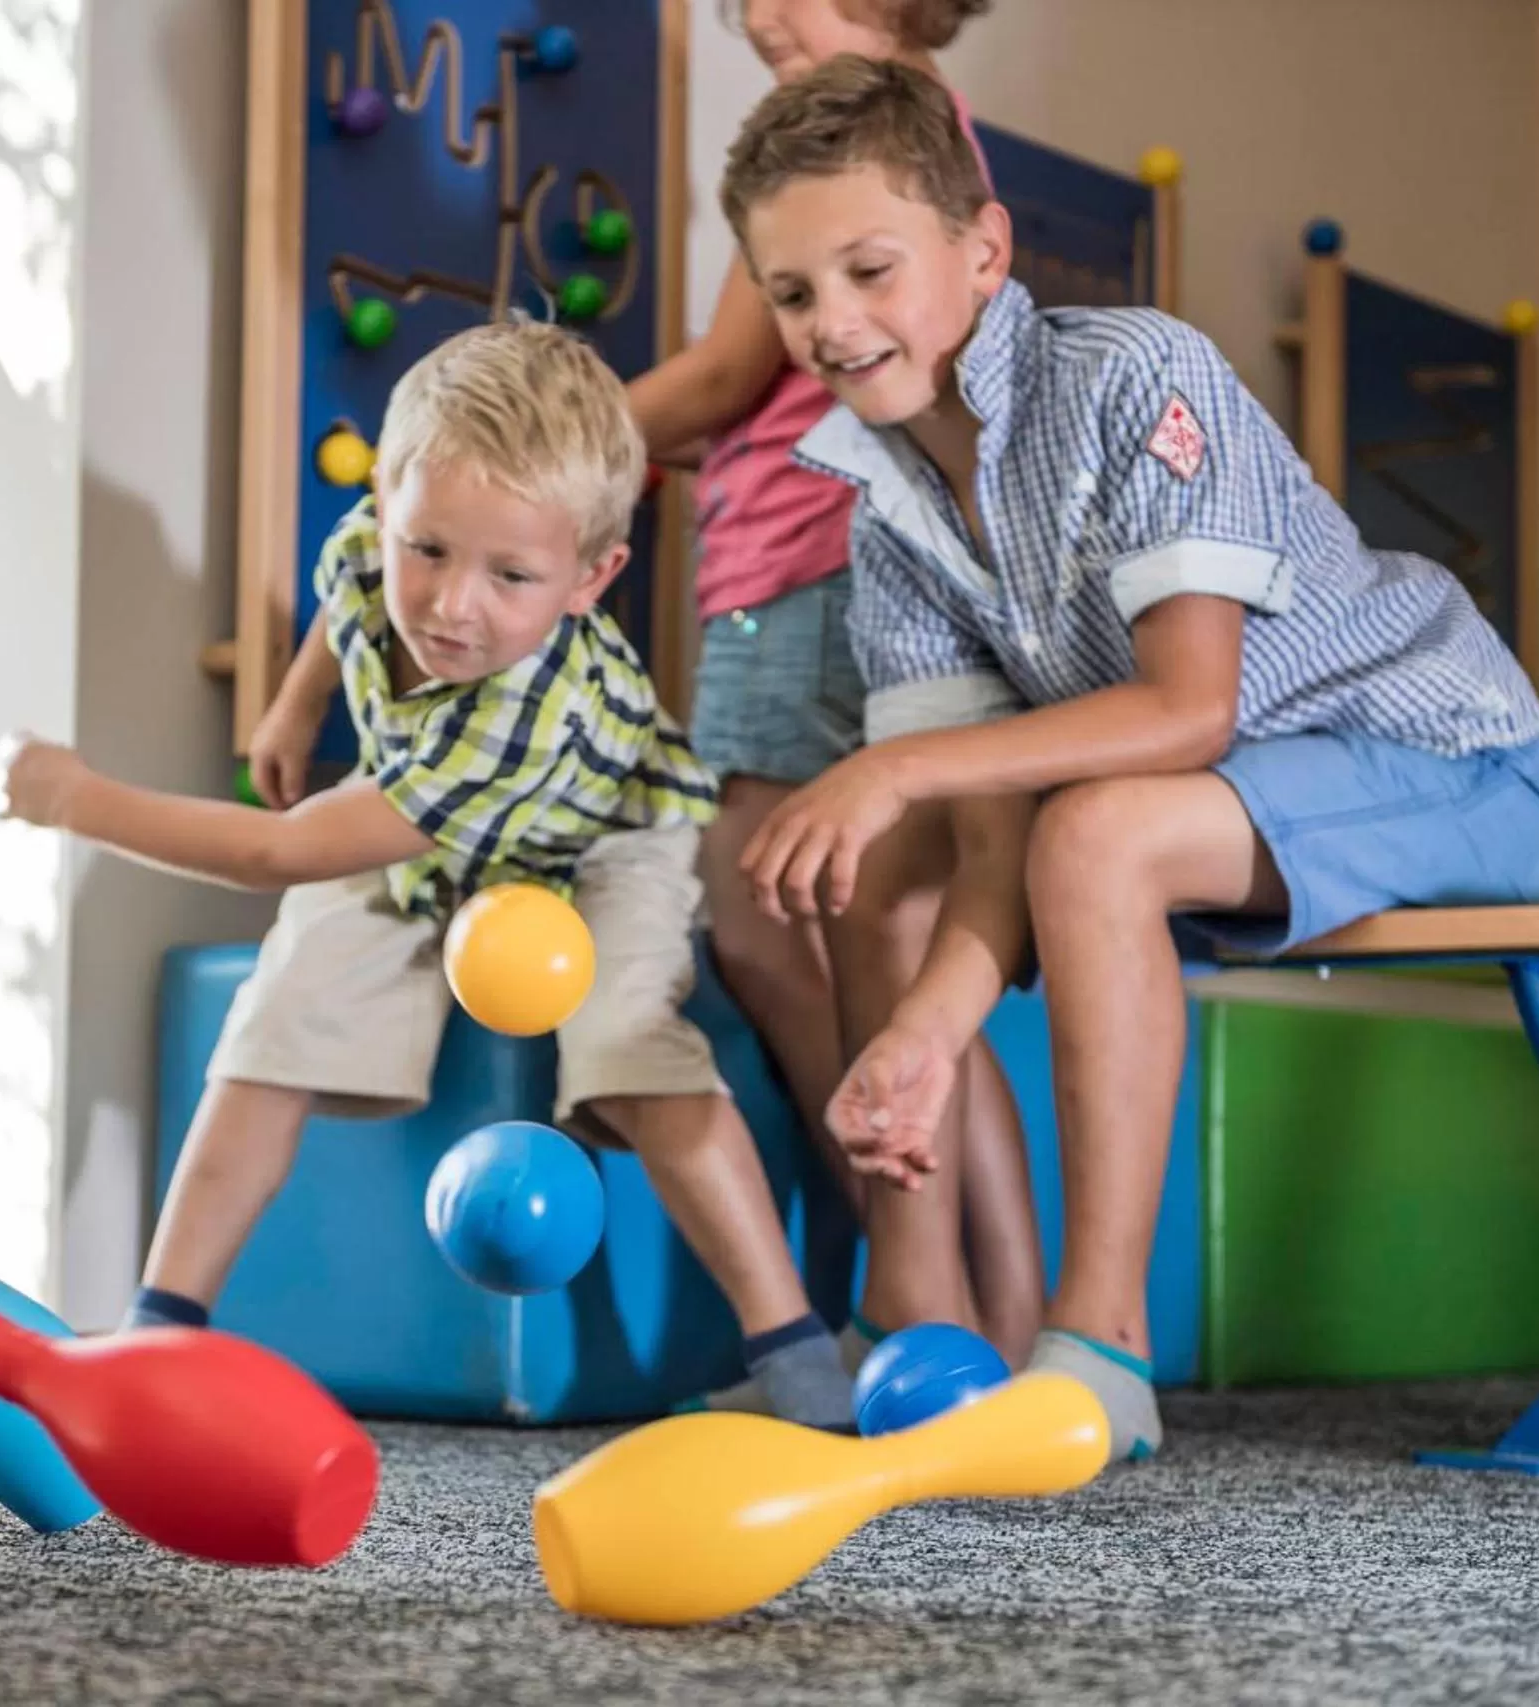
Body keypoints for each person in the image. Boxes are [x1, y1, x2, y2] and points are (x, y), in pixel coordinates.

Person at [718, 56, 1539, 1458]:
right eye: (795, 293)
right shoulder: (881, 507)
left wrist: (897, 773)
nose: (834, 322)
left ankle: (1102, 1341)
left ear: (982, 249)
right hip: (1233, 802)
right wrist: (924, 1036)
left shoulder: (1132, 377)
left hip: (1448, 756)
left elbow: (1189, 710)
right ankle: (914, 1315)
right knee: (907, 865)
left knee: (1090, 829)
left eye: (870, 270)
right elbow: (983, 818)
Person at [2, 318, 856, 1429]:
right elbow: (350, 576)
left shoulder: (517, 710)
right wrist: (297, 700)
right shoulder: (382, 539)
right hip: (427, 820)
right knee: (276, 1016)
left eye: (511, 574)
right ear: (397, 506)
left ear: (593, 576)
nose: (453, 604)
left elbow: (282, 849)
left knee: (626, 1040)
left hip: (601, 837)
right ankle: (161, 1327)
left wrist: (76, 800)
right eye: (429, 550)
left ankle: (789, 1346)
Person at [627, 0, 1042, 1385]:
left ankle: (917, 1283)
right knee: (887, 937)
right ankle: (985, 1312)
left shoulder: (853, 124)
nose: (752, 15)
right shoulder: (889, 121)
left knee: (757, 908)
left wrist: (525, 434)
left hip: (801, 571)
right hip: (809, 558)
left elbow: (723, 374)